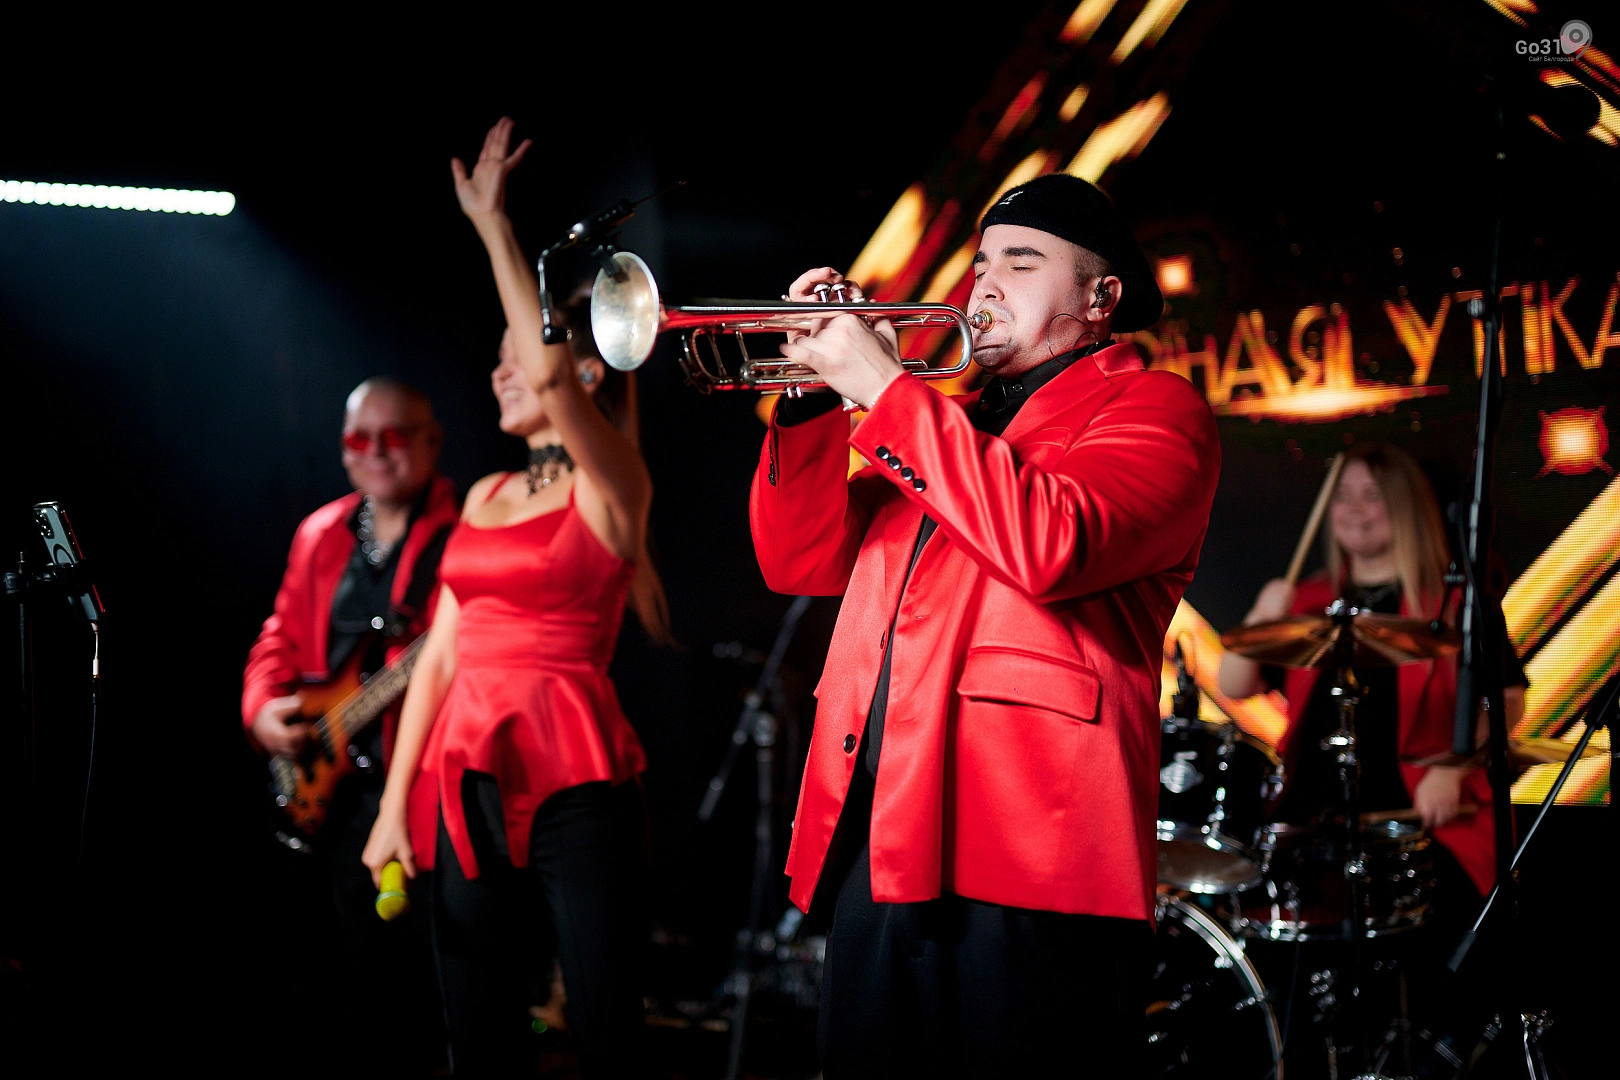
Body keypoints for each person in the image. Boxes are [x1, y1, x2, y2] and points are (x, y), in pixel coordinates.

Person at [750, 173, 1221, 1076]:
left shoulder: (1158, 410)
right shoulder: (942, 427)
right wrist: (812, 401)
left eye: (1022, 260)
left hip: (1035, 857)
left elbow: (1051, 543)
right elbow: (798, 562)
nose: (984, 284)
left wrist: (882, 385)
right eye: (979, 263)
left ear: (1100, 298)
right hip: (880, 840)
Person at [362, 116, 667, 1078]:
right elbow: (440, 659)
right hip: (465, 777)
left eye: (519, 349)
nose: (504, 369)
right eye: (497, 352)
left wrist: (494, 227)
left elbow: (542, 365)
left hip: (575, 777)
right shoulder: (485, 495)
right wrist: (393, 808)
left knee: (608, 1034)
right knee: (478, 1036)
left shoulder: (614, 485)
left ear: (583, 368)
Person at [1218, 442, 1525, 1073]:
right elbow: (1235, 684)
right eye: (1343, 497)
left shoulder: (1454, 603)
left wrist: (1453, 765)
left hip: (1420, 824)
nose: (1354, 510)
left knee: (1439, 970)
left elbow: (1510, 703)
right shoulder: (1307, 597)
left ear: (1405, 507)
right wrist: (1262, 613)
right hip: (1311, 822)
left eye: (1372, 497)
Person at [242, 376, 458, 1074]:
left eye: (393, 436)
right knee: (339, 992)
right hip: (329, 795)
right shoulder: (320, 532)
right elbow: (278, 637)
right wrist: (261, 709)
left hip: (422, 795)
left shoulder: (466, 533)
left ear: (431, 441)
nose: (376, 452)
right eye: (359, 439)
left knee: (426, 992)